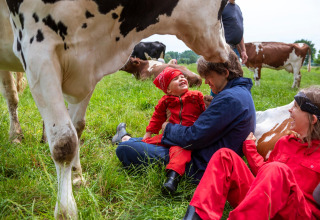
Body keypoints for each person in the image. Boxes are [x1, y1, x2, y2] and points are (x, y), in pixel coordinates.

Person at [115, 51, 256, 185]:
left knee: (125, 148)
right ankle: (126, 137)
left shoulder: (229, 98)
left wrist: (167, 127)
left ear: (225, 73)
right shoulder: (239, 93)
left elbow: (192, 138)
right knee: (148, 142)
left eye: (208, 76)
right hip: (207, 154)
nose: (206, 82)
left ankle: (125, 140)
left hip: (200, 165)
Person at [183, 85, 320, 220]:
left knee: (277, 169)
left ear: (312, 119)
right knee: (225, 155)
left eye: (296, 107)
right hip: (261, 207)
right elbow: (265, 174)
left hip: (297, 213)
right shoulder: (286, 142)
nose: (290, 110)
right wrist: (250, 148)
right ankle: (197, 216)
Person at [112, 67, 206, 194]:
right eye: (176, 79)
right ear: (168, 89)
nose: (182, 79)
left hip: (184, 139)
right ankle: (125, 139)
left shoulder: (196, 96)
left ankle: (172, 179)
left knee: (179, 153)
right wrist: (148, 133)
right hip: (169, 135)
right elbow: (156, 118)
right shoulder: (166, 101)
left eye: (182, 77)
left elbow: (206, 113)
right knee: (149, 141)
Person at [222, 0, 248, 64]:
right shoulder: (221, 7)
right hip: (224, 49)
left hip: (235, 49)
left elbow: (239, 30)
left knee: (236, 73)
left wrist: (243, 50)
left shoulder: (237, 8)